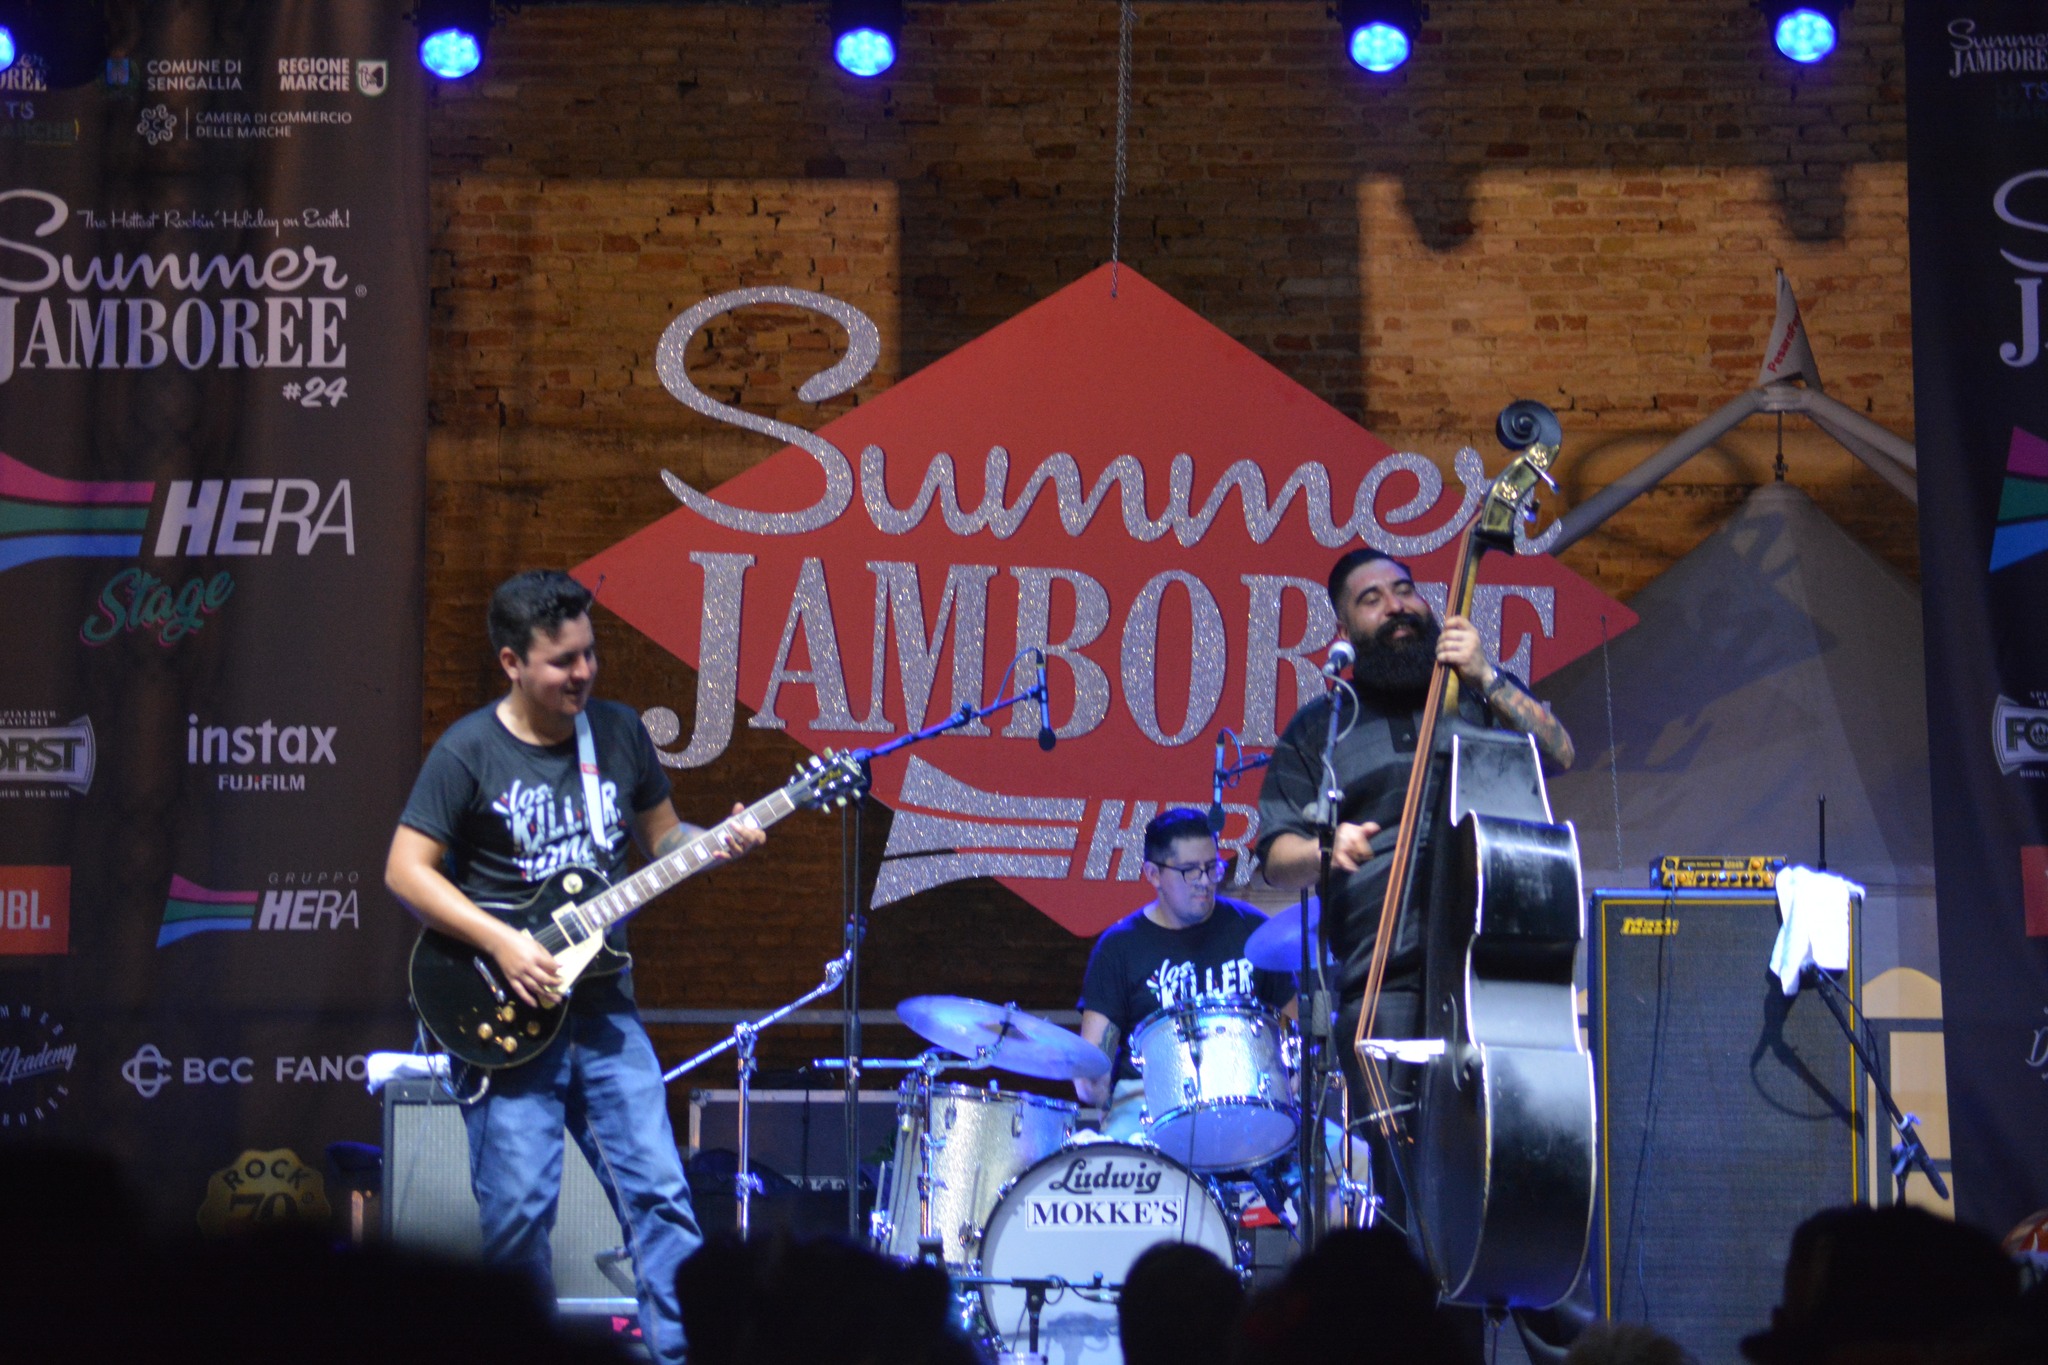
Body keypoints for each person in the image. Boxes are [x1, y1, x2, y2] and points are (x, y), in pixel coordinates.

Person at [384, 569, 765, 1365]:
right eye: (563, 660)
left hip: (602, 1010)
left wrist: (713, 844)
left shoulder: (618, 733)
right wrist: (500, 941)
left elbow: (662, 837)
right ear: (512, 662)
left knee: (662, 1196)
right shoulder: (468, 751)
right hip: (508, 1015)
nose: (584, 672)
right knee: (520, 1215)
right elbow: (405, 870)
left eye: (590, 653)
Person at [1254, 546, 1573, 1226]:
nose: (1396, 605)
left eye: (1404, 589)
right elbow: (1276, 856)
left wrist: (1487, 674)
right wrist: (1325, 847)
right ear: (1345, 629)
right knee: (1403, 1180)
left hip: (1489, 968)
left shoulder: (1478, 698)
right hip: (1384, 980)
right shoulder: (1323, 726)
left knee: (1505, 1160)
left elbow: (1559, 751)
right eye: (1371, 599)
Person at [1075, 806, 1295, 1134]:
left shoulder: (1253, 930)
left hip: (1246, 1095)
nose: (1204, 881)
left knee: (1356, 1157)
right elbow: (1091, 1071)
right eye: (1190, 871)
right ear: (1153, 874)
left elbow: (1297, 1034)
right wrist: (1093, 1084)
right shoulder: (1119, 947)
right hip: (1147, 1101)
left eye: (1212, 867)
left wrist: (1292, 1081)